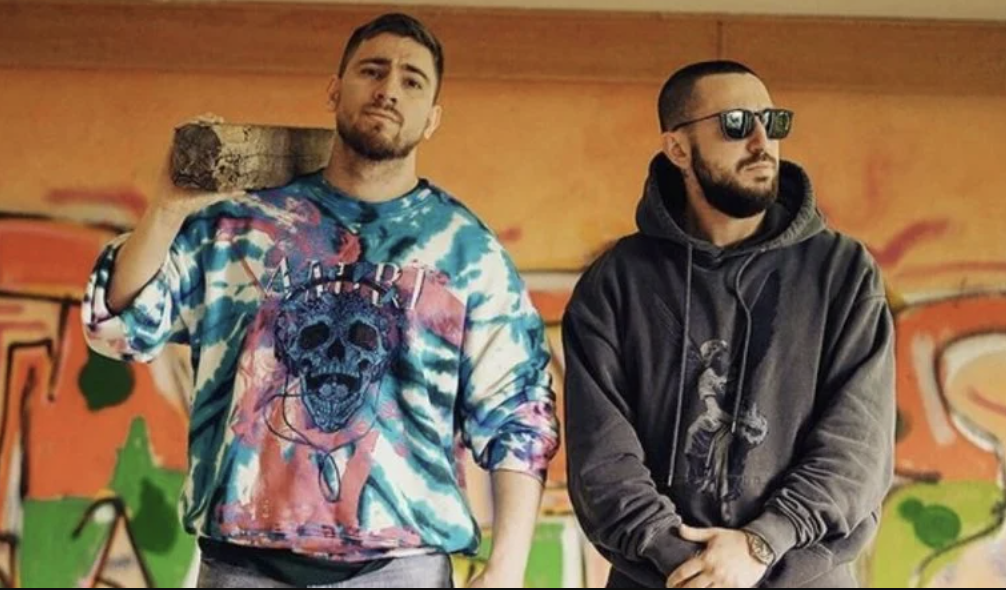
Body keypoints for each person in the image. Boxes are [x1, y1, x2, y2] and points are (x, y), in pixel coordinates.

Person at [81, 13, 559, 589]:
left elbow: (519, 412)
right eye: (372, 71)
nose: (388, 90)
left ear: (432, 118)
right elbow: (119, 326)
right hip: (242, 565)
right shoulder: (242, 226)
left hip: (401, 569)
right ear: (334, 89)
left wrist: (507, 567)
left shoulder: (464, 252)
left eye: (412, 81)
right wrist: (165, 209)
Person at [562, 60, 895, 588]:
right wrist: (690, 562)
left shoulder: (842, 273)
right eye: (735, 124)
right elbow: (601, 458)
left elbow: (857, 446)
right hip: (664, 579)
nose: (762, 143)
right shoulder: (616, 283)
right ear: (678, 149)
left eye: (773, 122)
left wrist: (762, 543)